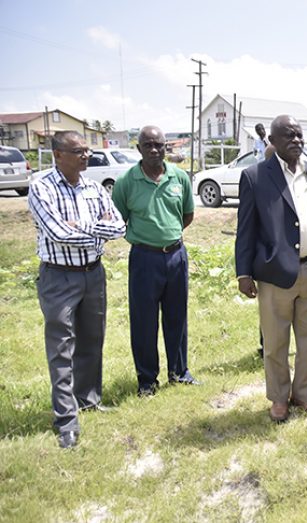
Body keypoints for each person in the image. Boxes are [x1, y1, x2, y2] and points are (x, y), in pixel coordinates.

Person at [236, 115, 307, 422]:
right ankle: (279, 398)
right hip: (275, 274)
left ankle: (303, 396)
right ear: (272, 141)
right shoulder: (256, 176)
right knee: (275, 342)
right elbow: (246, 229)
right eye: (288, 136)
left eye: (299, 135)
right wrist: (243, 273)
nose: (296, 140)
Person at [28, 131, 126, 448]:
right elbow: (57, 233)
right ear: (58, 154)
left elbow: (120, 227)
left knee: (92, 340)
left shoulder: (94, 188)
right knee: (61, 348)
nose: (86, 156)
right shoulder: (41, 188)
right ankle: (66, 420)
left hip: (93, 274)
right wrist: (96, 230)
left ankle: (88, 400)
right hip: (59, 277)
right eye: (78, 151)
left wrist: (80, 228)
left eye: (87, 150)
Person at [112, 125, 197, 397]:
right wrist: (148, 238)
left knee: (177, 317)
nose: (154, 150)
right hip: (144, 259)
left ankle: (179, 373)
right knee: (144, 321)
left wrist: (168, 238)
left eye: (159, 145)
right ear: (138, 148)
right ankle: (147, 380)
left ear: (166, 147)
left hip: (175, 256)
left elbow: (186, 215)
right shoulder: (127, 181)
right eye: (148, 145)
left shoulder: (179, 177)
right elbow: (118, 219)